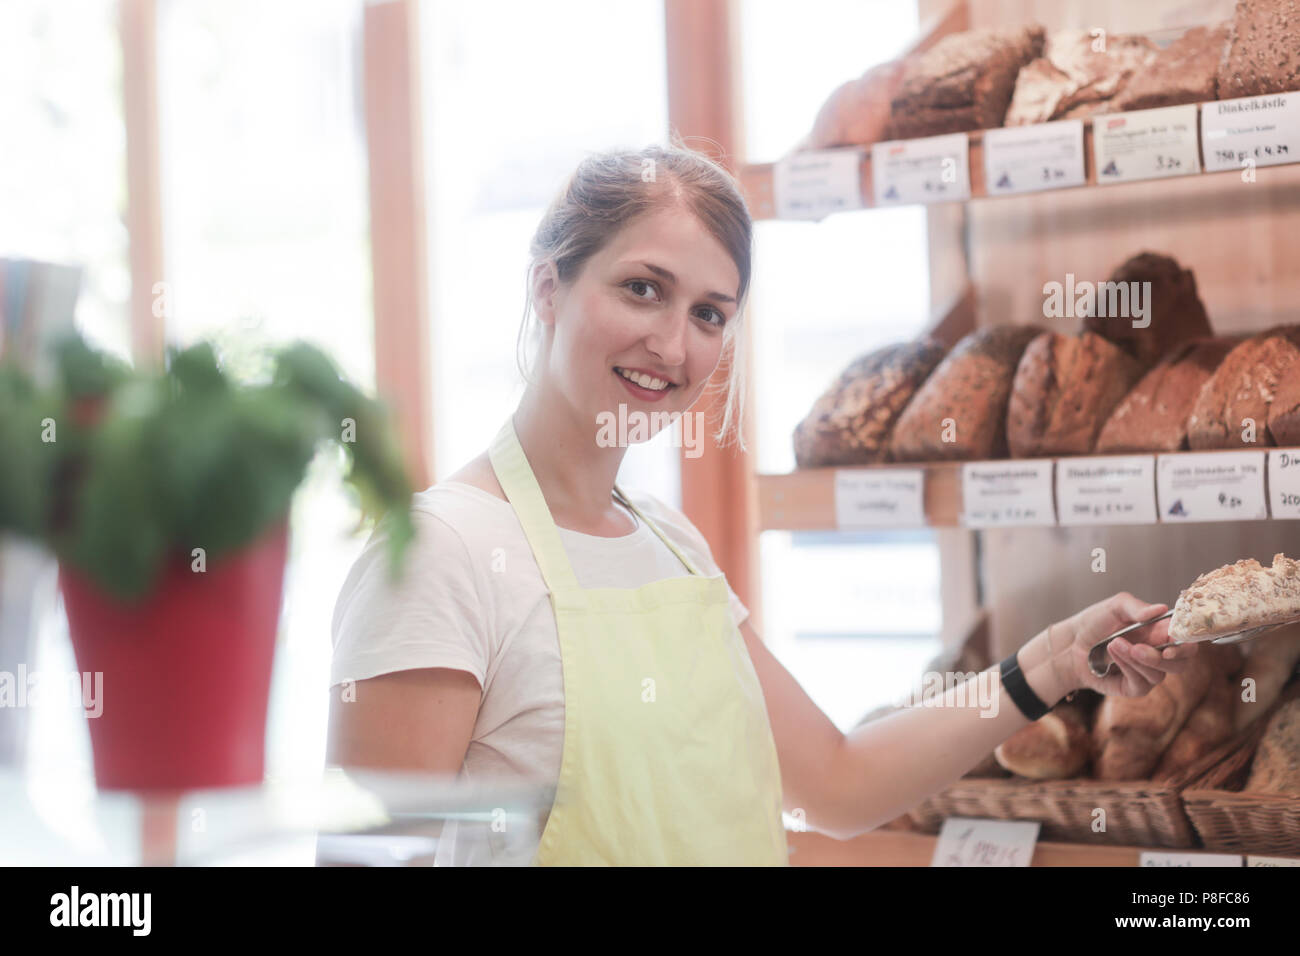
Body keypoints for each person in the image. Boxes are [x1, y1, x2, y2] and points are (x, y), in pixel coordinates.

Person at [326, 142, 1198, 866]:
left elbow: (841, 783)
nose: (673, 344)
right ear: (549, 287)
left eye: (710, 314)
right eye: (642, 288)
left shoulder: (666, 543)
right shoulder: (440, 554)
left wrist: (1053, 662)